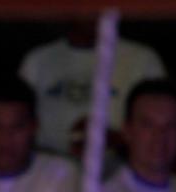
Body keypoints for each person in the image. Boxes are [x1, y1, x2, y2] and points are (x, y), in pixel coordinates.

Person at [19, 19, 164, 158]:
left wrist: (118, 139)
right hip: (48, 168)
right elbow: (16, 123)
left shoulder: (142, 59)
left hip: (118, 168)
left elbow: (165, 125)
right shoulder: (37, 60)